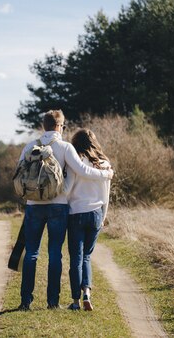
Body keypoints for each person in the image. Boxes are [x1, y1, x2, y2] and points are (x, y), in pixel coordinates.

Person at [18, 110, 114, 310]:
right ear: (61, 126)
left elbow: (20, 174)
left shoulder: (29, 146)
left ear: (43, 126)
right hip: (58, 206)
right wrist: (106, 174)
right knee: (55, 253)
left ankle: (25, 301)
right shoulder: (64, 147)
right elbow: (82, 170)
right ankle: (52, 302)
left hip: (34, 206)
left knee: (31, 254)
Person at [66, 128, 111, 311]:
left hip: (76, 212)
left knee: (76, 257)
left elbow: (67, 191)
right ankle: (87, 293)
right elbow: (106, 196)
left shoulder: (75, 163)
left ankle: (76, 301)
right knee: (87, 257)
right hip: (96, 213)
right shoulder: (105, 164)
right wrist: (103, 218)